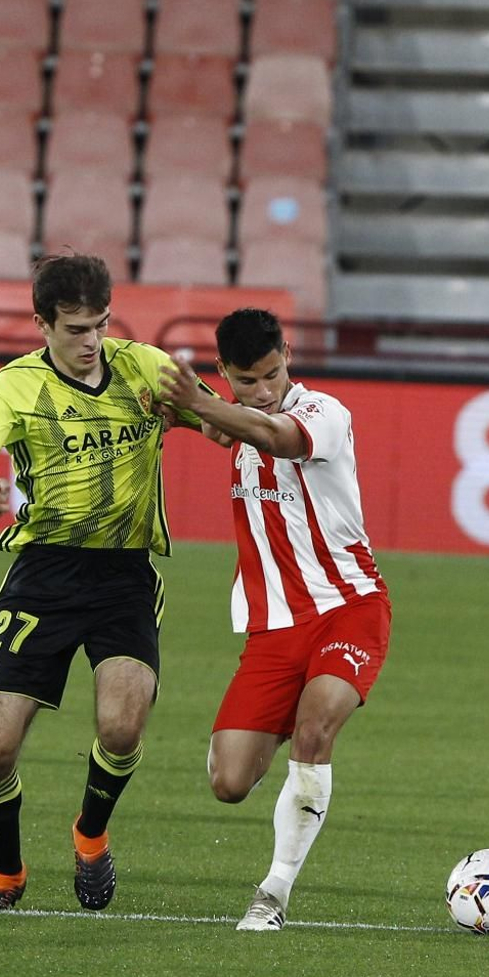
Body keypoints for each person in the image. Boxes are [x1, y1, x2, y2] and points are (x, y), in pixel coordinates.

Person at [0, 253, 210, 911]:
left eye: (99, 325)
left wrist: (225, 417)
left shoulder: (146, 369)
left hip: (123, 573)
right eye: (75, 329)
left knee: (122, 728)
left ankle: (91, 836)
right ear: (42, 325)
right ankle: (6, 874)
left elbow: (213, 420)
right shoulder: (15, 387)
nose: (91, 342)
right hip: (44, 576)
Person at [159, 308, 390, 931]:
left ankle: (274, 892)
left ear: (289, 352)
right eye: (248, 382)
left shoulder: (323, 414)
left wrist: (209, 409)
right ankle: (295, 738)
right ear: (225, 375)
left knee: (317, 730)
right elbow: (216, 419)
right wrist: (186, 410)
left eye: (273, 373)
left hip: (349, 608)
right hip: (273, 630)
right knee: (229, 781)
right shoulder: (234, 418)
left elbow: (278, 436)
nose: (264, 391)